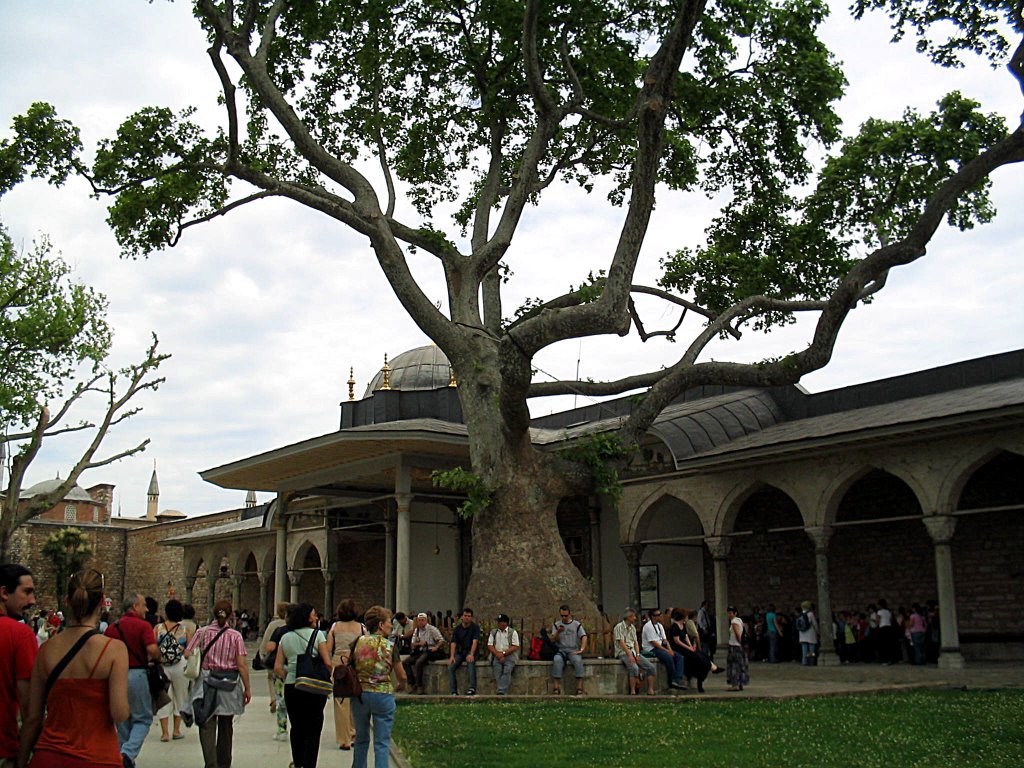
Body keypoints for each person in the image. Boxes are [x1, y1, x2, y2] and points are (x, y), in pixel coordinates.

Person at [16, 569, 128, 768]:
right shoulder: (113, 650)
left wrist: (21, 761)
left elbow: (33, 718)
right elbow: (119, 713)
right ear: (102, 602)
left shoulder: (47, 650)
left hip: (49, 755)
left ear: (67, 601)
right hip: (97, 756)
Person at [184, 600, 251, 768]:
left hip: (207, 682)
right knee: (226, 725)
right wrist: (247, 688)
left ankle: (210, 763)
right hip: (228, 683)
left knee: (206, 723)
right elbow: (241, 664)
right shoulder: (235, 636)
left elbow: (188, 653)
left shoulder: (202, 632)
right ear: (231, 616)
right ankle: (224, 763)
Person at [105, 593, 159, 768]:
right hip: (137, 674)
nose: (147, 609)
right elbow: (151, 648)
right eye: (144, 605)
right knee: (142, 718)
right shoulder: (143, 626)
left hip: (116, 676)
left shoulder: (112, 628)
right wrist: (157, 656)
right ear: (135, 607)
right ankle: (127, 754)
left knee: (122, 720)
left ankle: (122, 760)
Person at [273, 603, 330, 768]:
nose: (316, 617)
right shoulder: (318, 635)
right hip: (313, 685)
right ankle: (310, 763)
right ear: (307, 617)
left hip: (293, 686)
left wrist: (290, 673)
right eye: (313, 614)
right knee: (314, 727)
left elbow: (277, 667)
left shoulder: (286, 637)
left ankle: (298, 762)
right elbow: (327, 662)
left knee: (297, 727)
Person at [351, 605, 407, 768]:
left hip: (360, 693)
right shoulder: (389, 646)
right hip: (382, 694)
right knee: (382, 743)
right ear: (381, 625)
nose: (391, 625)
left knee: (361, 738)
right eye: (389, 622)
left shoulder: (358, 642)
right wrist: (402, 685)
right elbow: (401, 674)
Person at [1, 563, 37, 768]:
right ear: (5, 592)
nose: (32, 601)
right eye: (27, 592)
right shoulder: (19, 634)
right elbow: (30, 709)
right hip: (5, 748)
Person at [327, 599, 365, 750]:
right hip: (355, 664)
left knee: (341, 701)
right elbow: (364, 647)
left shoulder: (335, 627)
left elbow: (329, 647)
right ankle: (354, 732)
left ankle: (344, 739)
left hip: (339, 664)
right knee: (356, 698)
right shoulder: (362, 628)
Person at [155, 599, 193, 742]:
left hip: (163, 665)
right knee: (180, 697)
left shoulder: (158, 628)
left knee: (163, 697)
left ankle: (164, 733)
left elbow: (153, 647)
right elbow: (190, 651)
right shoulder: (184, 630)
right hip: (179, 665)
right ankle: (176, 730)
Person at [669, 608, 722, 693]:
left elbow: (686, 637)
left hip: (686, 647)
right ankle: (712, 667)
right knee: (698, 658)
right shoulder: (674, 627)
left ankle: (711, 667)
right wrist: (688, 648)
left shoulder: (683, 625)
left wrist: (691, 646)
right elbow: (677, 641)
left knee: (702, 656)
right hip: (679, 649)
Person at [261, 602, 290, 740]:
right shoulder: (297, 627)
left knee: (279, 693)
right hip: (295, 668)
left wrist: (262, 655)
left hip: (278, 665)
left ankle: (282, 729)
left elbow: (268, 644)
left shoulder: (274, 626)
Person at [613, 609, 656, 695]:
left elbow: (635, 642)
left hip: (633, 651)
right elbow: (621, 642)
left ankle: (650, 689)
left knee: (651, 667)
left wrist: (637, 654)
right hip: (623, 652)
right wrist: (630, 655)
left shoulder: (632, 627)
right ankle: (633, 690)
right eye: (633, 616)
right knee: (634, 667)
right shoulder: (619, 627)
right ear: (629, 617)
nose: (635, 618)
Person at [641, 608, 686, 690]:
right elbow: (654, 643)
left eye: (660, 614)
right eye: (658, 615)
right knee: (668, 658)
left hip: (661, 647)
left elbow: (665, 640)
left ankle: (677, 679)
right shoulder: (648, 626)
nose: (661, 616)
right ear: (653, 617)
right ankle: (672, 680)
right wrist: (667, 651)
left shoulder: (659, 625)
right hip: (652, 649)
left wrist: (670, 650)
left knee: (679, 657)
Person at [401, 613, 445, 694]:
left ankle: (419, 685)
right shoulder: (416, 631)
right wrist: (420, 644)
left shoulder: (432, 629)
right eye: (419, 620)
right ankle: (411, 683)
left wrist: (436, 647)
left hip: (429, 651)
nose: (421, 622)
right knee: (405, 662)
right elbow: (412, 643)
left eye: (422, 620)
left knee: (419, 662)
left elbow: (441, 640)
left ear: (426, 621)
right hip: (419, 651)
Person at [550, 604, 588, 695]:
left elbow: (584, 636)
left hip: (573, 650)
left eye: (565, 616)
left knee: (578, 661)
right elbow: (552, 639)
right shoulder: (556, 625)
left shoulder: (576, 624)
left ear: (569, 614)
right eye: (562, 616)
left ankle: (579, 687)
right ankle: (556, 687)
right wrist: (558, 632)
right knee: (557, 660)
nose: (564, 617)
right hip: (561, 650)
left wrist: (582, 649)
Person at [447, 608, 480, 696]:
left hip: (470, 651)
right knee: (451, 667)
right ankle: (453, 691)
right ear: (462, 617)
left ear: (471, 618)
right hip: (461, 652)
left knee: (470, 663)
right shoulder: (457, 629)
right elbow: (453, 642)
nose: (467, 618)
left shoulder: (475, 628)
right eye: (465, 616)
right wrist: (452, 656)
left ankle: (472, 688)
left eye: (469, 616)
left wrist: (472, 654)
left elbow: (475, 641)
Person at [486, 614, 520, 695]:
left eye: (500, 622)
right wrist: (497, 654)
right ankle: (502, 691)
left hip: (509, 655)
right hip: (496, 654)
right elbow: (490, 645)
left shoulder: (512, 632)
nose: (498, 624)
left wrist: (504, 653)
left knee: (507, 670)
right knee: (497, 670)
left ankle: (501, 691)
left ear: (505, 623)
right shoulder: (494, 632)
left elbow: (515, 646)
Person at [726, 606, 749, 691]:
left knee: (734, 665)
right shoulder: (740, 620)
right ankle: (740, 683)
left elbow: (738, 634)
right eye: (728, 613)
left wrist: (740, 642)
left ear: (735, 613)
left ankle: (735, 684)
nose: (729, 615)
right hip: (738, 646)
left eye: (731, 613)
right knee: (740, 665)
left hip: (734, 646)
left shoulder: (734, 622)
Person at [797, 600, 819, 666]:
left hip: (802, 634)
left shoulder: (800, 614)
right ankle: (811, 661)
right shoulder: (810, 614)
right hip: (810, 634)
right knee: (811, 649)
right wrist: (818, 631)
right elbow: (814, 624)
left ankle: (804, 662)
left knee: (804, 649)